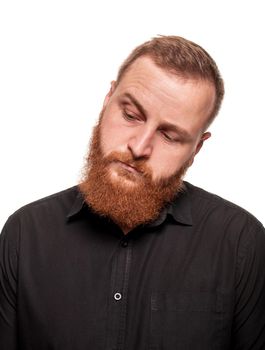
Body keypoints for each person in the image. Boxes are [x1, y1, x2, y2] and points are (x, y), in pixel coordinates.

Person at [0, 35, 264, 350]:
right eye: (130, 115)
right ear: (107, 99)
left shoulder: (242, 244)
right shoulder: (24, 234)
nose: (138, 147)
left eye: (169, 135)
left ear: (197, 148)